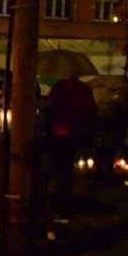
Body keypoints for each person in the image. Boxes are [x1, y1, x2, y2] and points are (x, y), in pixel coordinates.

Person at [46, 77, 97, 223]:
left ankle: (61, 207)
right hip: (74, 134)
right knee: (66, 171)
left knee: (60, 171)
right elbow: (91, 112)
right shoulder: (84, 89)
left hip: (58, 134)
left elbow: (50, 107)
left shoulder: (59, 87)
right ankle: (64, 205)